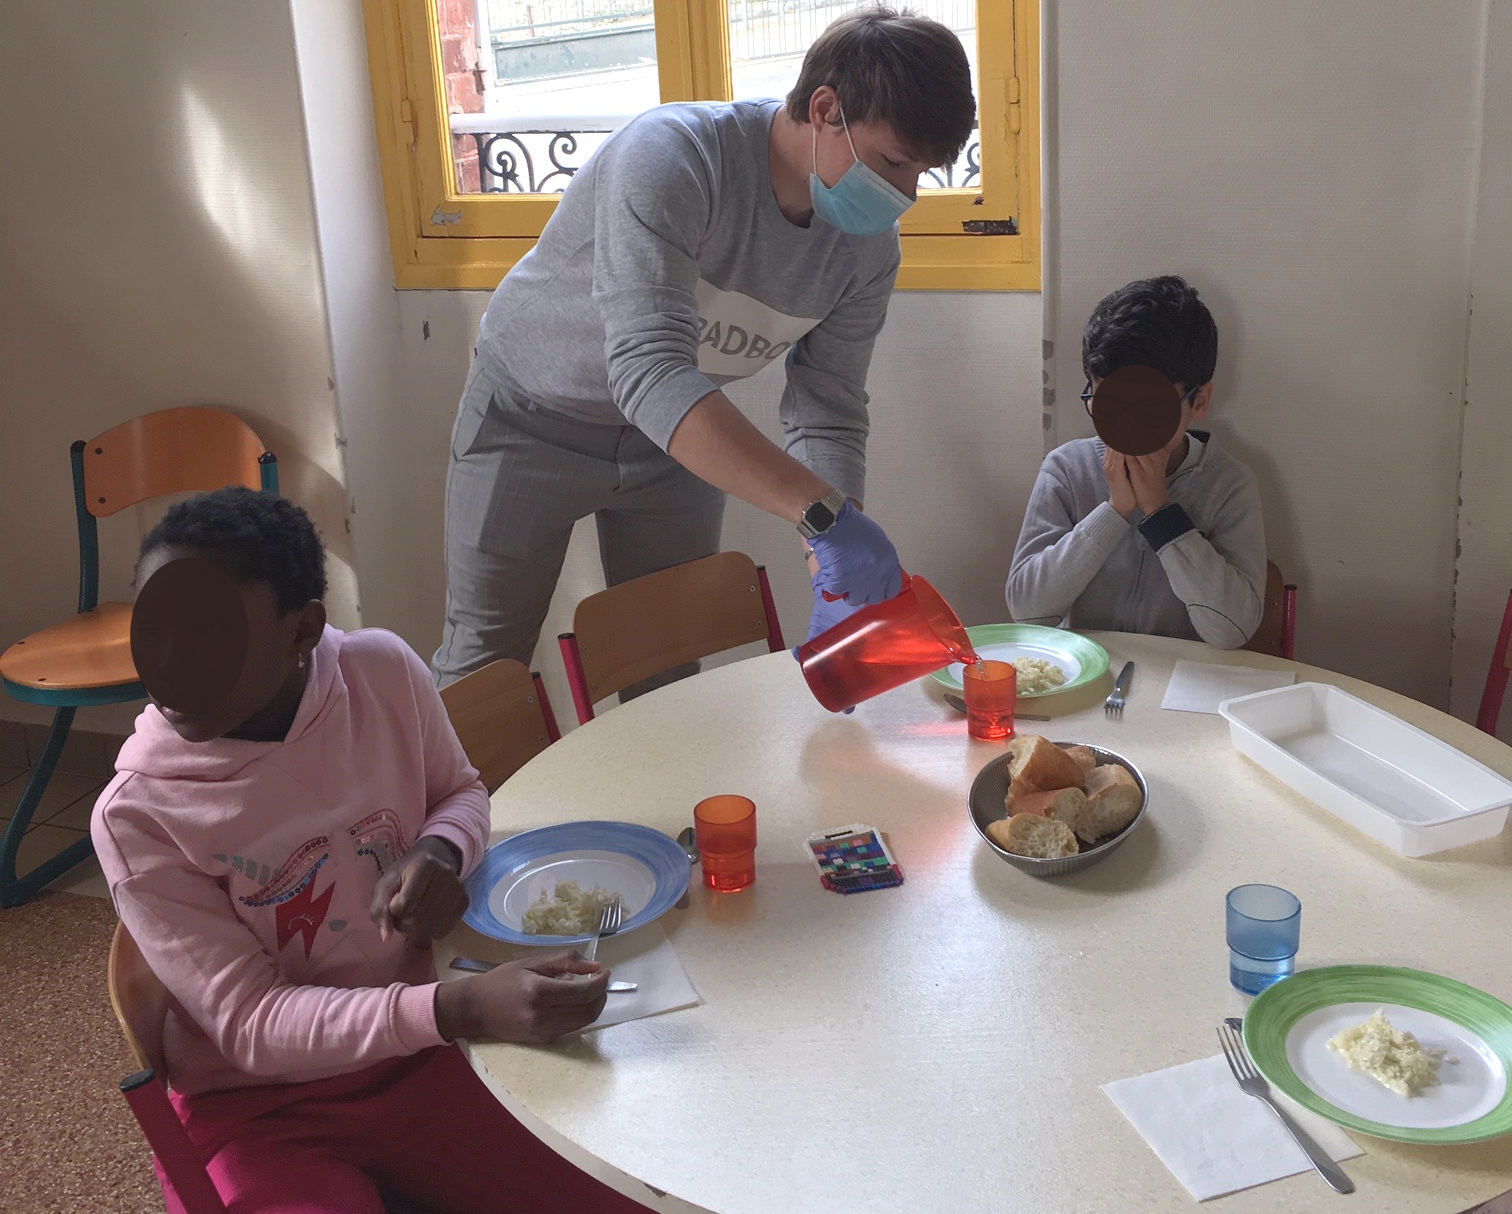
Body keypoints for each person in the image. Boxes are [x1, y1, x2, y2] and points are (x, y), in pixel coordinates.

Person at [92, 487, 652, 1214]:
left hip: (420, 1060)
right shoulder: (139, 814)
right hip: (262, 1112)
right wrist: (458, 1010)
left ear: (303, 632)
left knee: (627, 1192)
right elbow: (252, 1025)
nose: (168, 667)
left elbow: (462, 792)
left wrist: (442, 851)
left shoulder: (380, 672)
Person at [433, 5, 976, 690]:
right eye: (894, 162)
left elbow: (826, 406)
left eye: (919, 172)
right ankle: (452, 802)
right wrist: (822, 514)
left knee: (664, 660)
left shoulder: (867, 248)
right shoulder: (673, 159)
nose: (904, 194)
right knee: (487, 664)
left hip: (674, 444)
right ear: (826, 107)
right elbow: (649, 370)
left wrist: (829, 545)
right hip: (529, 416)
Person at [1005, 276, 1266, 648]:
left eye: (1150, 408)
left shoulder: (1228, 484)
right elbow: (1027, 611)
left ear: (1199, 400)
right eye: (1108, 403)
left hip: (1183, 685)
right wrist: (1114, 511)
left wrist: (1161, 514)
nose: (1128, 424)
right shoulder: (1066, 469)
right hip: (1088, 678)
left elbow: (1232, 631)